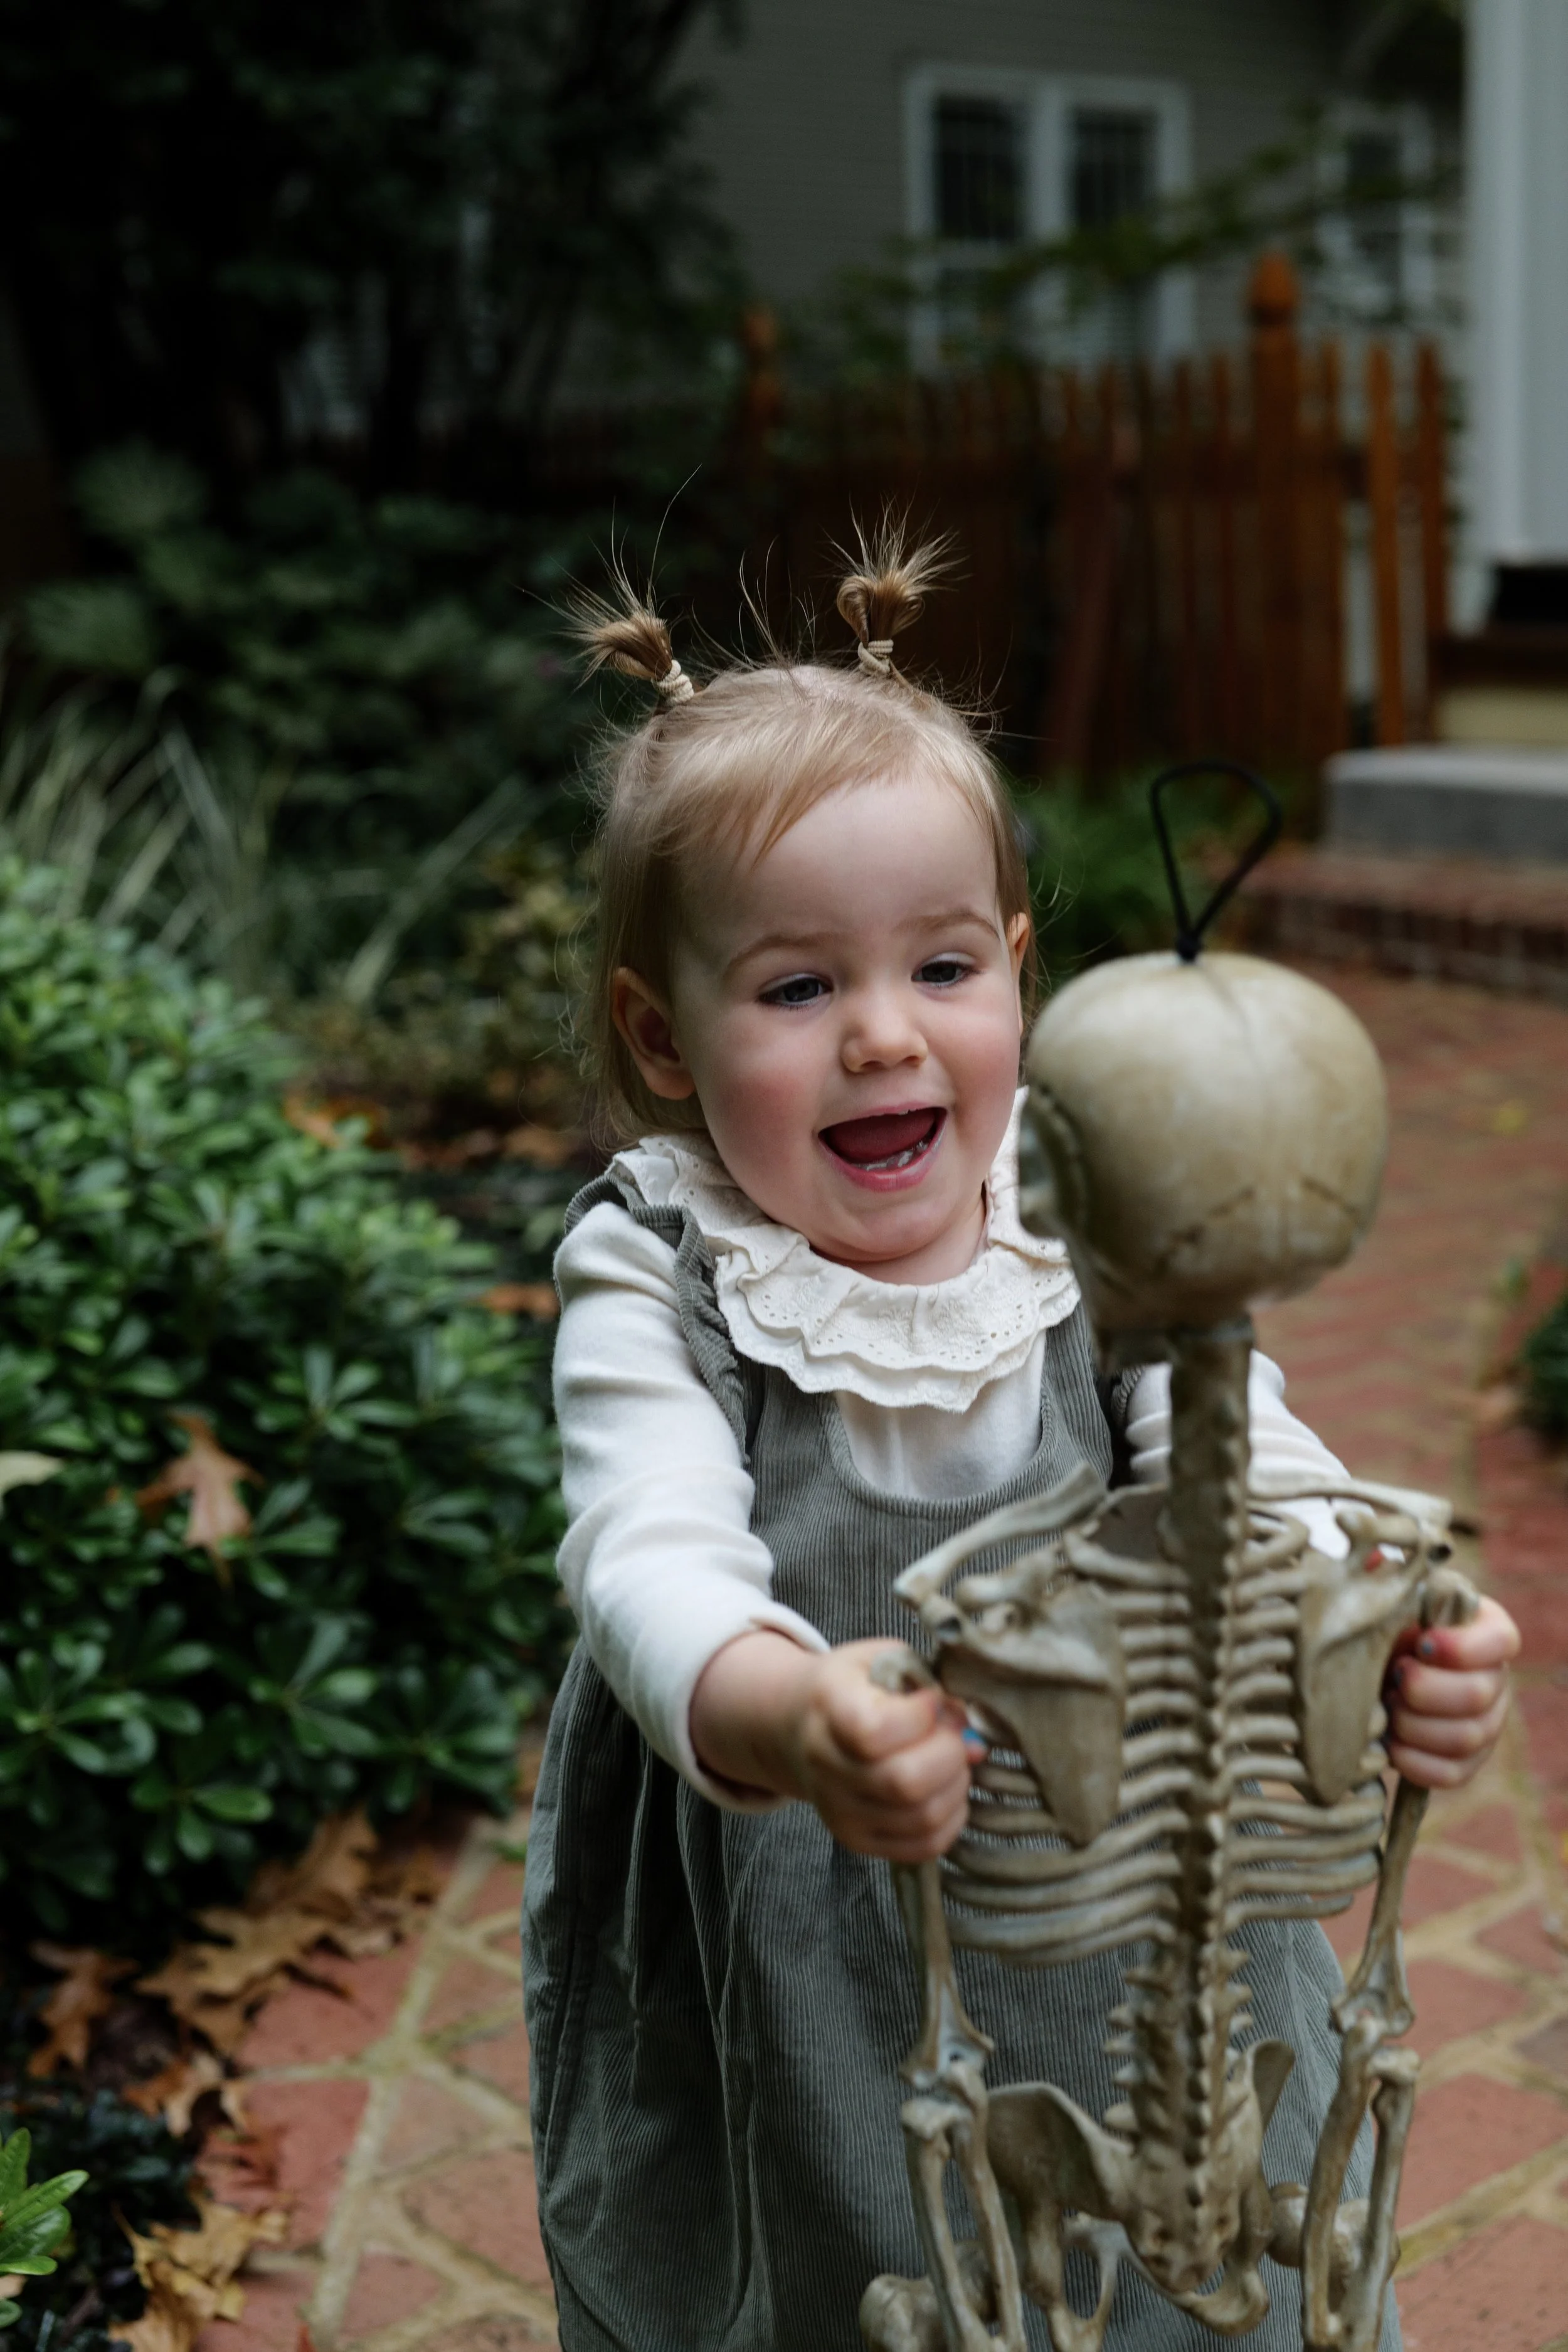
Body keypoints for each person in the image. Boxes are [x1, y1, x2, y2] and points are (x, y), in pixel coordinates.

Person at [522, 535, 1519, 2352]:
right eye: (796, 988)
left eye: (944, 962)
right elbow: (643, 1551)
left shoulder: (1064, 1202)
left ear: (1019, 978)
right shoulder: (655, 1261)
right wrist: (788, 1711)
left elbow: (1246, 1454)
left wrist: (1378, 1631)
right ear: (661, 1041)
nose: (886, 1035)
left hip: (1131, 1874)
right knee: (849, 2280)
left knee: (1189, 2261)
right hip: (802, 1910)